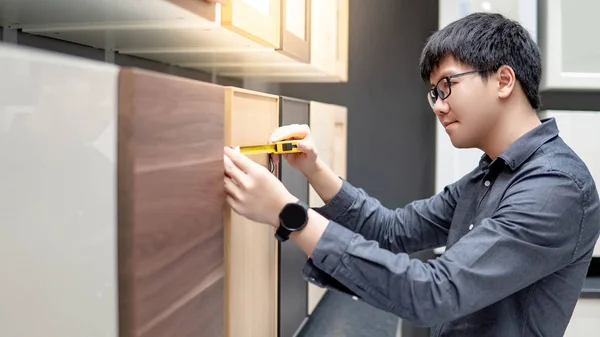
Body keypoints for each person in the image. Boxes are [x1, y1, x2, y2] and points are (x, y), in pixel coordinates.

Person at [223, 12, 600, 336]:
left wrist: (291, 215)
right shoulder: (491, 172)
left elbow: (435, 293)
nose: (438, 105)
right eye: (433, 93)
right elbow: (393, 230)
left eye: (446, 86)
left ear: (504, 80)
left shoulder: (555, 187)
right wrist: (314, 169)